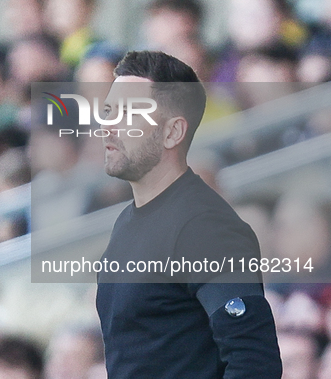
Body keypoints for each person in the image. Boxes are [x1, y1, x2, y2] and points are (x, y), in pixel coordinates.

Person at [95, 51, 282, 378]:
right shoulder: (127, 222)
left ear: (172, 133)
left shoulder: (204, 227)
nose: (107, 125)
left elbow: (254, 361)